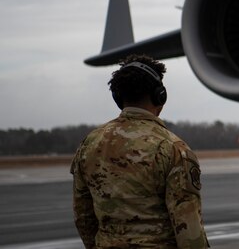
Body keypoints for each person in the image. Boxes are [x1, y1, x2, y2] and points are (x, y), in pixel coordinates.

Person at [71, 54, 209, 248]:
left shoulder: (89, 145)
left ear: (118, 97)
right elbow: (189, 232)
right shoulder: (172, 148)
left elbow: (83, 217)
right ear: (160, 95)